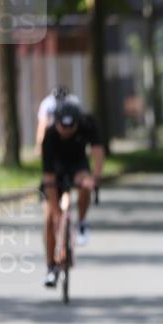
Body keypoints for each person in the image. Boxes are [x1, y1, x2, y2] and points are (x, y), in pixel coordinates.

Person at [41, 101, 104, 287]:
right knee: (49, 219)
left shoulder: (87, 124)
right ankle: (51, 267)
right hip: (56, 170)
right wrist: (56, 213)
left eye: (71, 127)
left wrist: (96, 178)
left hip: (78, 166)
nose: (67, 131)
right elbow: (48, 178)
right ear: (57, 123)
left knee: (86, 184)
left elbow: (98, 152)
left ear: (77, 122)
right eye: (63, 127)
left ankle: (82, 221)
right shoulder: (50, 136)